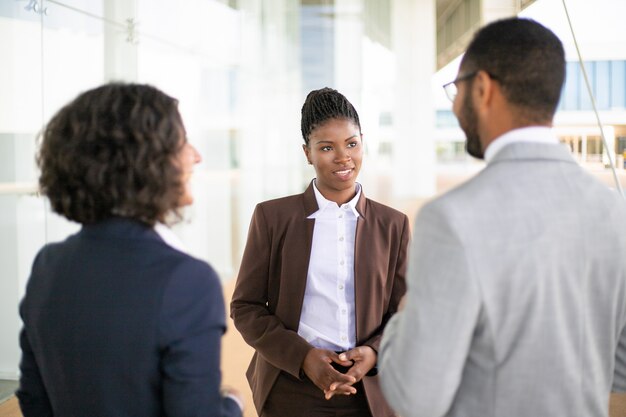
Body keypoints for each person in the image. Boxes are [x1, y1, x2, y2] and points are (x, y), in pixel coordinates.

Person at [378, 17, 626, 417]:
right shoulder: (615, 211)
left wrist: (401, 323)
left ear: (482, 88)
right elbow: (622, 367)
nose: (456, 106)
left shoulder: (451, 220)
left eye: (455, 91)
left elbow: (415, 398)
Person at [16, 83, 243, 417]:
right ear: (147, 161)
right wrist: (232, 404)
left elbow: (35, 402)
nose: (196, 156)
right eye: (182, 142)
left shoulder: (48, 265)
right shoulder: (187, 281)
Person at [231, 87, 409, 417]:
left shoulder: (393, 224)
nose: (343, 157)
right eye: (327, 147)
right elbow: (246, 306)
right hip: (291, 390)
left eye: (352, 144)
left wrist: (373, 352)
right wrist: (303, 357)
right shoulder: (273, 218)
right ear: (308, 152)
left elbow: (405, 313)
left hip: (369, 394)